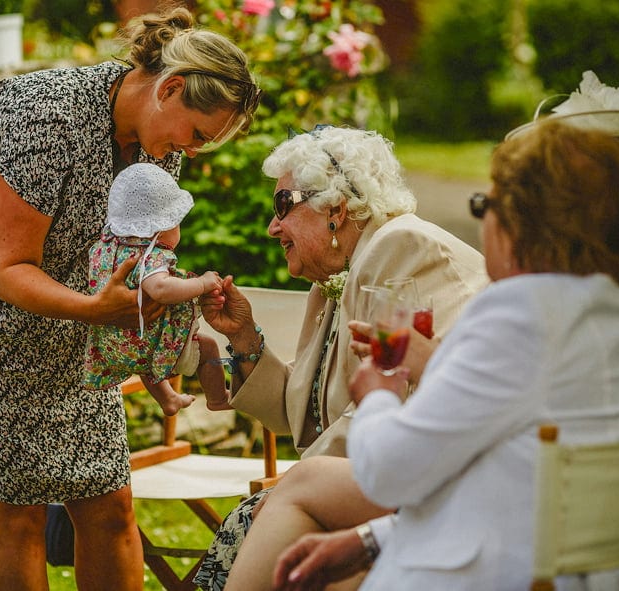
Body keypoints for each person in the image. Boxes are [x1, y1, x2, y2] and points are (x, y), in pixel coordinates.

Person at [0, 6, 259, 590]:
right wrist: (98, 310)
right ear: (169, 88)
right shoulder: (46, 114)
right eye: (197, 134)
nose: (192, 152)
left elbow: (137, 247)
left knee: (109, 506)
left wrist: (150, 300)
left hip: (74, 326)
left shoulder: (156, 145)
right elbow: (10, 269)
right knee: (15, 513)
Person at [253, 118, 619, 591]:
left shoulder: (516, 317)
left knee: (306, 487)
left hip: (484, 573)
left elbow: (391, 473)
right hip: (575, 570)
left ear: (522, 223)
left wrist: (380, 393)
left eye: (484, 205)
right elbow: (514, 476)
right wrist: (368, 541)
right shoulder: (617, 318)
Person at [193, 124, 488, 589]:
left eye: (281, 206)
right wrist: (246, 338)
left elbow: (401, 394)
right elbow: (300, 419)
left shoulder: (401, 248)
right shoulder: (332, 280)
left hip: (442, 483)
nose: (272, 227)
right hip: (369, 481)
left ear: (335, 207)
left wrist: (301, 488)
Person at [85, 162, 231, 415]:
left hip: (112, 343)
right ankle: (218, 398)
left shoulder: (106, 247)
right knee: (207, 348)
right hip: (142, 343)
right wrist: (201, 283)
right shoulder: (150, 256)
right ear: (161, 228)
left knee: (147, 360)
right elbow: (161, 289)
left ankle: (168, 399)